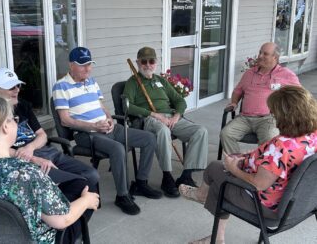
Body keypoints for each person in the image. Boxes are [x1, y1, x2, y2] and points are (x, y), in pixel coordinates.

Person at [0, 96, 100, 243]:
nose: (17, 122)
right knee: (87, 188)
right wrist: (86, 201)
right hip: (28, 237)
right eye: (14, 119)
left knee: (75, 184)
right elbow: (61, 220)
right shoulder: (25, 173)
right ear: (5, 127)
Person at [179, 86, 317, 244]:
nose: (272, 115)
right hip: (301, 204)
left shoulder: (281, 147)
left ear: (286, 116)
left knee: (216, 172)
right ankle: (215, 233)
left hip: (267, 206)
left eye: (274, 112)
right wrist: (255, 156)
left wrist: (233, 169)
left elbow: (259, 184)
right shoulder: (312, 135)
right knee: (223, 173)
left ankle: (202, 197)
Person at [52, 47, 162, 216]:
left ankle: (141, 183)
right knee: (118, 148)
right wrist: (93, 127)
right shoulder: (61, 86)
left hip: (108, 127)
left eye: (89, 64)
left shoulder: (92, 81)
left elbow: (102, 107)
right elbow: (65, 120)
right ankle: (122, 196)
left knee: (149, 138)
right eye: (82, 65)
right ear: (71, 65)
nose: (87, 68)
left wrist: (109, 119)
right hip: (86, 134)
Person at [0, 67, 99, 212]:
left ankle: (71, 217)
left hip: (46, 152)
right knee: (77, 183)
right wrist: (31, 157)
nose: (17, 90)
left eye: (18, 85)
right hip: (26, 163)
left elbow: (42, 135)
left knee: (91, 175)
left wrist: (30, 147)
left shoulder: (22, 105)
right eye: (11, 87)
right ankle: (63, 219)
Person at [123, 46, 208, 197]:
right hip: (150, 119)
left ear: (155, 62)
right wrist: (154, 114)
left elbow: (179, 100)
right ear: (138, 63)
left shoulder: (160, 80)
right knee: (163, 130)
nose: (148, 65)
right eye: (144, 61)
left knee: (200, 131)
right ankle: (167, 176)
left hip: (171, 117)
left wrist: (176, 116)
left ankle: (186, 176)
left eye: (151, 61)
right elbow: (127, 106)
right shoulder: (133, 82)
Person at [220, 42, 300, 155]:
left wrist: (288, 111)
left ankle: (261, 167)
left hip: (269, 119)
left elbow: (300, 95)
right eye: (260, 52)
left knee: (270, 137)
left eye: (265, 54)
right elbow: (238, 90)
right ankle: (236, 164)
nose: (260, 56)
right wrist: (234, 103)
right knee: (226, 134)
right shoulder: (249, 73)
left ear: (275, 57)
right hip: (245, 118)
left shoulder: (286, 75)